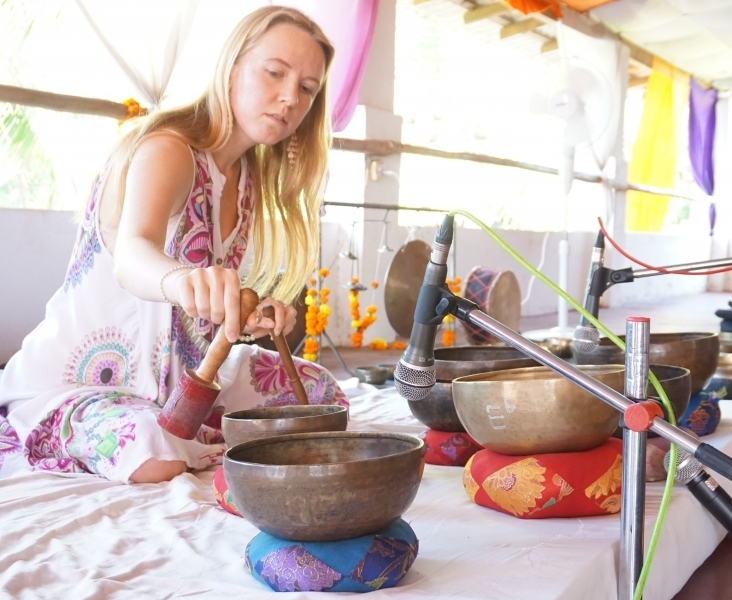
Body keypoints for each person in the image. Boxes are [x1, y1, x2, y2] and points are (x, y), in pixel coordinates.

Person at [0, 6, 348, 484]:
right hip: (81, 384)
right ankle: (164, 434)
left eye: (307, 88)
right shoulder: (170, 149)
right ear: (231, 67)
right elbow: (132, 256)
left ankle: (188, 429)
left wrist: (249, 312)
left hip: (182, 382)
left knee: (321, 392)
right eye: (274, 72)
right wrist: (184, 280)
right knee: (152, 450)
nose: (289, 97)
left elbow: (199, 311)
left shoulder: (245, 179)